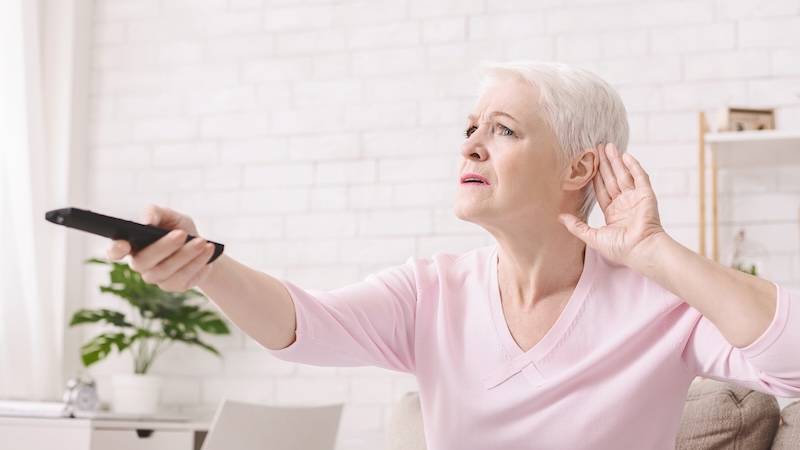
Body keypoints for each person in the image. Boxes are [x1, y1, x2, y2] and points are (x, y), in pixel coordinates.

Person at [107, 61, 800, 449]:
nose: (469, 145)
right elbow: (303, 325)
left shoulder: (662, 301)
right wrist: (204, 263)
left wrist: (657, 251)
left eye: (502, 130)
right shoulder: (430, 291)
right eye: (470, 128)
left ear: (578, 167)